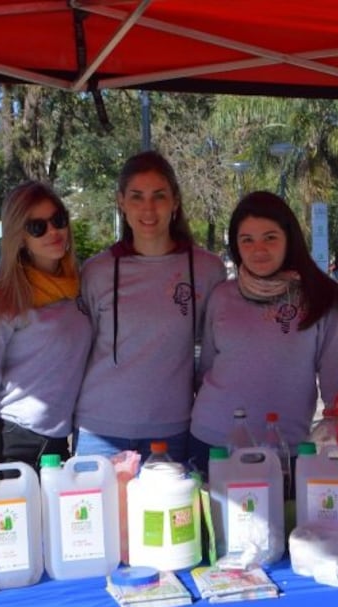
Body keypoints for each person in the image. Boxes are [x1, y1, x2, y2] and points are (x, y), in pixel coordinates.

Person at [73, 150, 226, 463]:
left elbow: (217, 350)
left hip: (171, 430)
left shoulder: (208, 270)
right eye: (136, 197)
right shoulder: (96, 271)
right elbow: (76, 349)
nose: (148, 209)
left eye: (159, 196)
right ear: (121, 202)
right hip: (98, 431)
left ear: (175, 201)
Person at [189, 191, 338, 475]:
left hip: (284, 449)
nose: (259, 249)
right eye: (247, 240)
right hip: (212, 441)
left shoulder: (323, 299)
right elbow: (206, 369)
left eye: (270, 237)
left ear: (289, 239)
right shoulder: (221, 296)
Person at [0, 181, 90, 470]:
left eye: (58, 220)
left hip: (56, 442)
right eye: (37, 227)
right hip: (10, 443)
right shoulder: (2, 298)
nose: (53, 231)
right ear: (19, 237)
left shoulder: (80, 286)